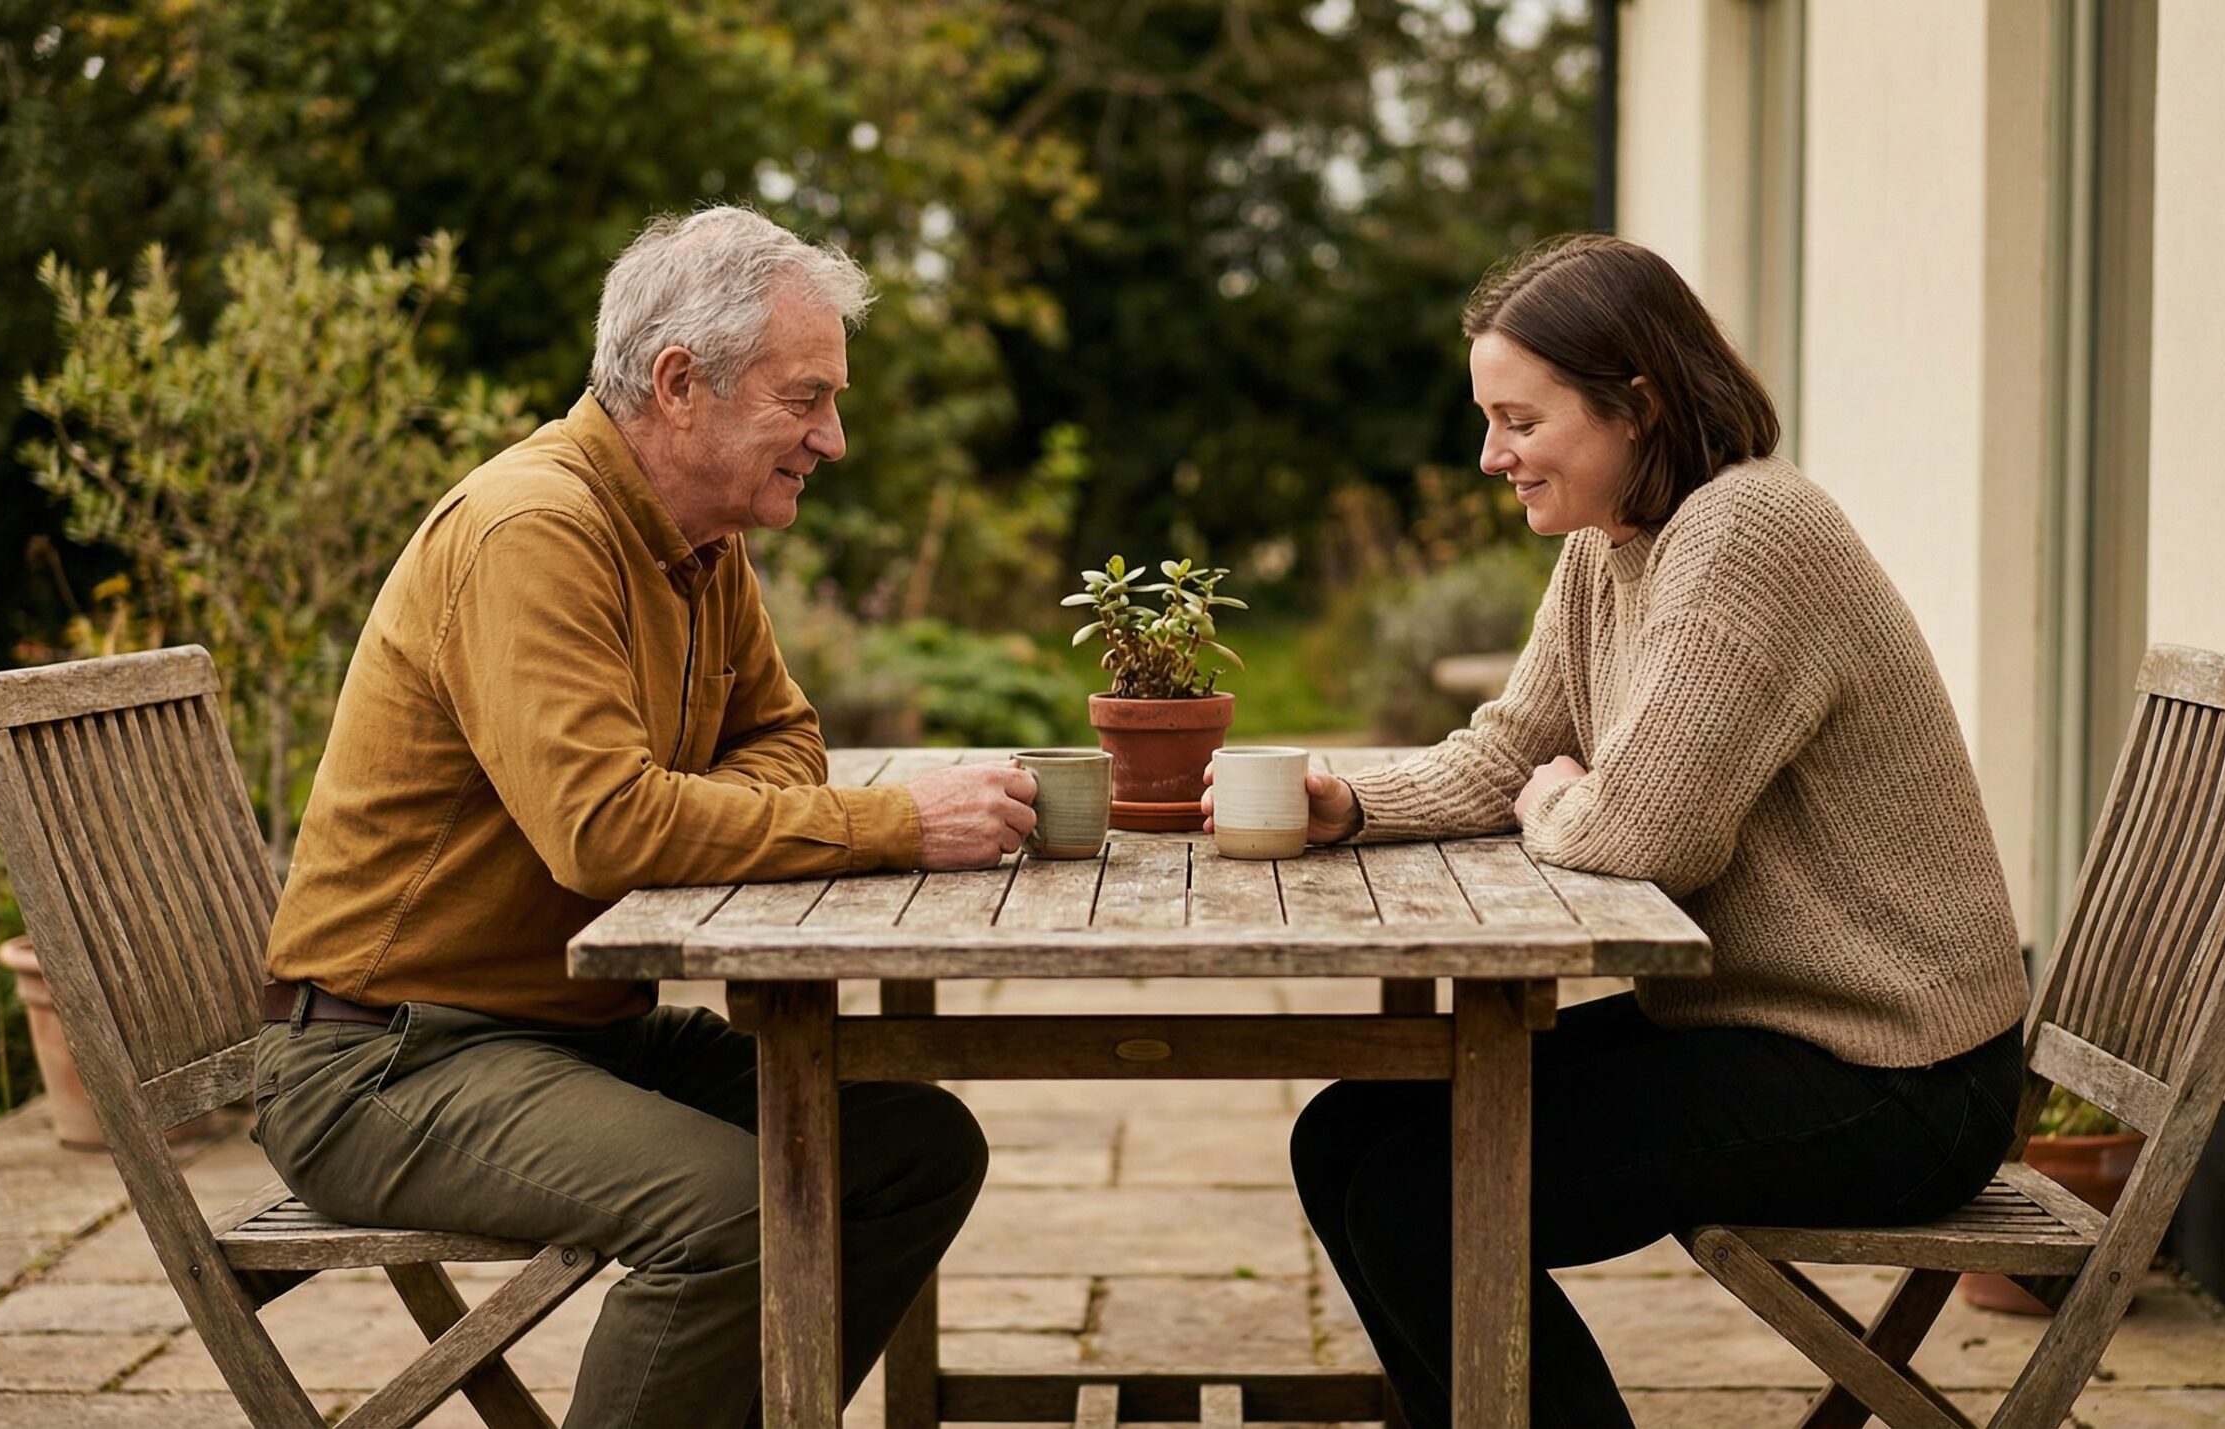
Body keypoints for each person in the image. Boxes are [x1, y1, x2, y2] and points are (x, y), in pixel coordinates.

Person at [1211, 234, 2030, 1427]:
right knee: (1343, 1135)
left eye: (1519, 421)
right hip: (1764, 1026)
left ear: (1633, 404)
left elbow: (1637, 837)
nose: (1492, 456)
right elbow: (1512, 748)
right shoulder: (1618, 542)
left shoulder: (1746, 532)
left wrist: (1558, 800)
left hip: (1892, 1072)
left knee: (1417, 1195)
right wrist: (1357, 804)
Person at [253, 207, 1036, 1429]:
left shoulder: (699, 538)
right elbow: (607, 834)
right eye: (806, 398)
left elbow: (786, 738)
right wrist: (891, 824)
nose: (832, 437)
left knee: (910, 1147)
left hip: (566, 1026)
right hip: (388, 1057)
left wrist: (694, 805)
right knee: (732, 1213)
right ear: (680, 384)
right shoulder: (533, 531)